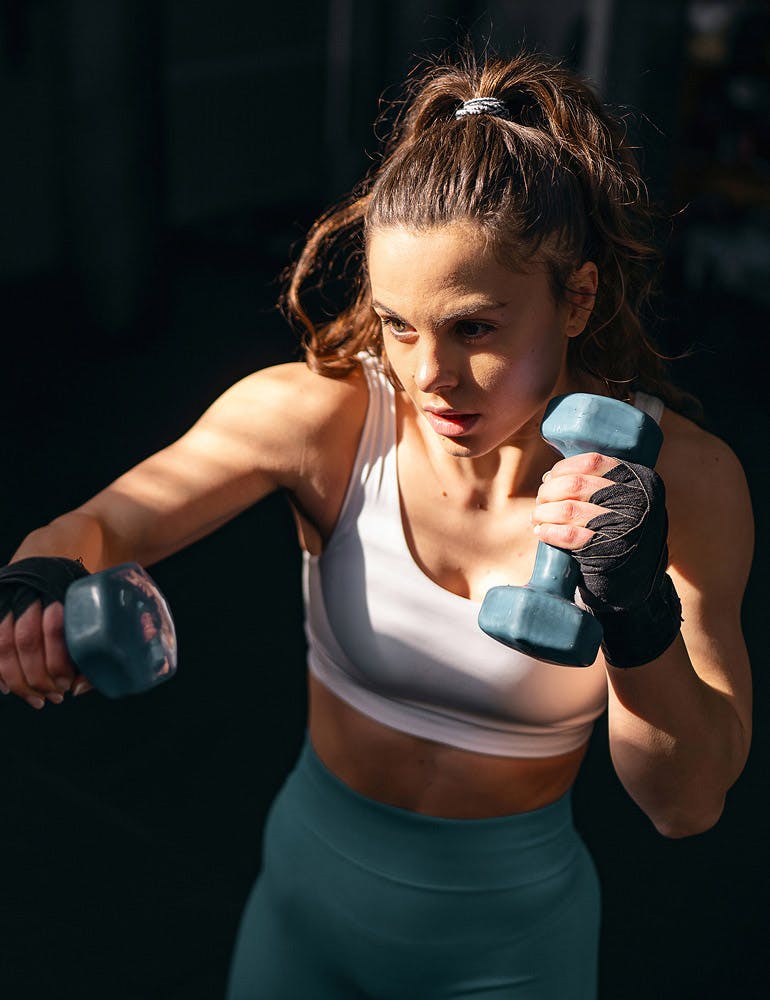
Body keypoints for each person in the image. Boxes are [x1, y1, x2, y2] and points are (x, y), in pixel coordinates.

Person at [0, 49, 753, 998]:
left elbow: (686, 804)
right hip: (306, 913)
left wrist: (636, 610)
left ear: (580, 298)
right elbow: (98, 526)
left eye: (475, 328)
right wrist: (35, 591)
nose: (429, 375)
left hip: (512, 954)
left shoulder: (681, 479)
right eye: (400, 326)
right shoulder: (325, 420)